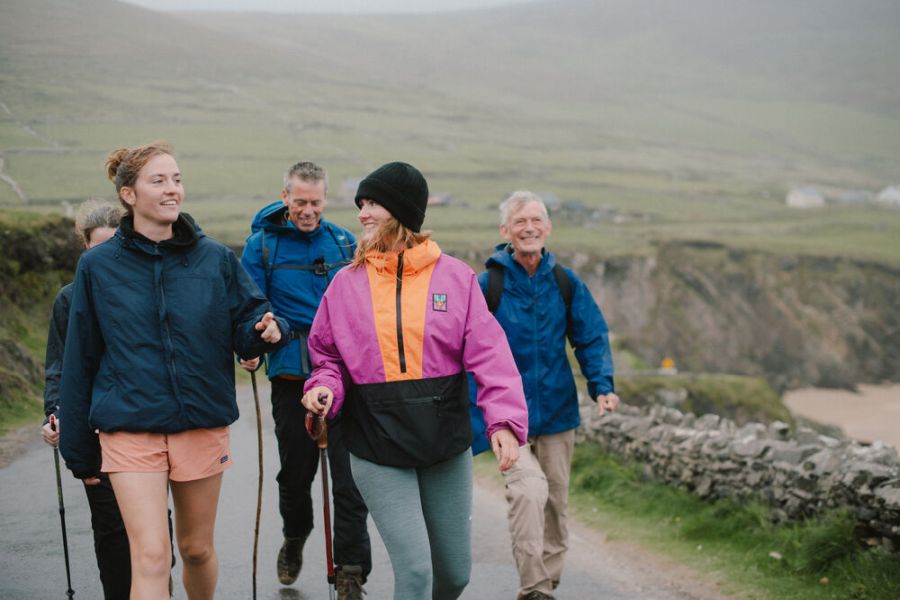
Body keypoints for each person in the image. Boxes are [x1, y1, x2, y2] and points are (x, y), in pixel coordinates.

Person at [58, 141, 288, 600]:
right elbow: (79, 357)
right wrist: (78, 447)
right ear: (129, 194)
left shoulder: (215, 259)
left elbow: (248, 321)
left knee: (197, 549)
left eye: (177, 179)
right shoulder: (97, 267)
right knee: (151, 556)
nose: (172, 190)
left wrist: (266, 329)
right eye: (158, 181)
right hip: (129, 427)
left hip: (199, 421)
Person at [300, 161, 528, 600]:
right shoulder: (345, 285)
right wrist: (322, 387)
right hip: (376, 444)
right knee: (416, 574)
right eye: (360, 204)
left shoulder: (456, 278)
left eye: (373, 204)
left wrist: (503, 423)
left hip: (444, 444)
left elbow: (492, 356)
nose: (362, 213)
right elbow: (326, 355)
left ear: (402, 211)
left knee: (455, 574)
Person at [469, 190, 620, 600]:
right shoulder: (488, 286)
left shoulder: (565, 282)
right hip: (506, 415)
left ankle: (547, 578)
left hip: (557, 410)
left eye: (536, 220)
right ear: (506, 231)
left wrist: (602, 386)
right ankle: (534, 588)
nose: (529, 228)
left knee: (555, 502)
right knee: (527, 492)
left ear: (548, 228)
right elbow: (467, 348)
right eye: (520, 221)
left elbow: (589, 337)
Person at [239, 161, 372, 597]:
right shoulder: (261, 247)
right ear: (285, 198)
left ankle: (351, 571)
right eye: (300, 202)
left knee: (348, 479)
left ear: (325, 199)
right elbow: (250, 306)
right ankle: (296, 535)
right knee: (295, 476)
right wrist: (260, 334)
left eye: (316, 202)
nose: (308, 210)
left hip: (344, 376)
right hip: (292, 373)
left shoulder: (344, 241)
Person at [42, 199, 134, 599]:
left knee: (151, 524)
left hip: (141, 422)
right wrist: (55, 413)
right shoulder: (68, 299)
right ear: (85, 248)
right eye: (99, 249)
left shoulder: (141, 291)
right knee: (111, 526)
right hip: (93, 425)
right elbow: (58, 365)